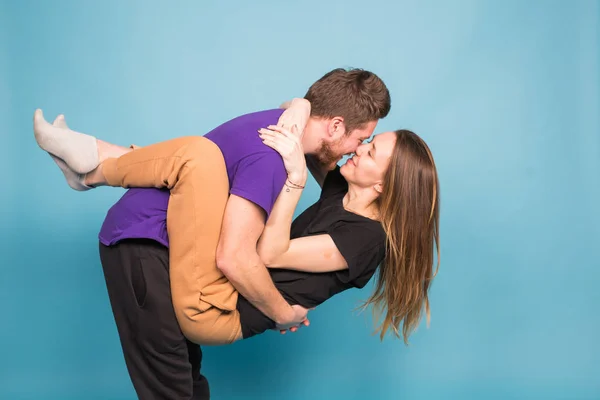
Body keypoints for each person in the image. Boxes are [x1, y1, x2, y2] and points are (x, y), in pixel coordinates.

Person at [34, 68, 395, 400]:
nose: (359, 148)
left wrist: (283, 313)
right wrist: (300, 106)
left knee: (183, 385)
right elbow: (239, 255)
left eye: (369, 146)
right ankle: (91, 164)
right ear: (334, 126)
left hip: (179, 270)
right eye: (363, 138)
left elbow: (254, 255)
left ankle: (93, 164)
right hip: (147, 247)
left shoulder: (341, 208)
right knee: (175, 387)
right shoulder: (300, 161)